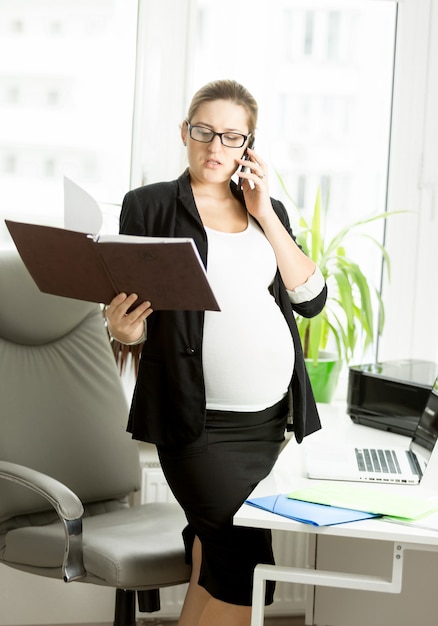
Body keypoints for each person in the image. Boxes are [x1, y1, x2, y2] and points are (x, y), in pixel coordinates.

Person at [106, 79, 327, 626]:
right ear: (186, 132)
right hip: (196, 425)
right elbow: (132, 320)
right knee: (246, 579)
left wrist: (266, 214)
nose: (215, 147)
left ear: (248, 146)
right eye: (204, 131)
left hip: (267, 425)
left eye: (232, 137)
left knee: (218, 567)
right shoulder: (150, 206)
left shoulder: (265, 210)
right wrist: (123, 331)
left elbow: (311, 300)